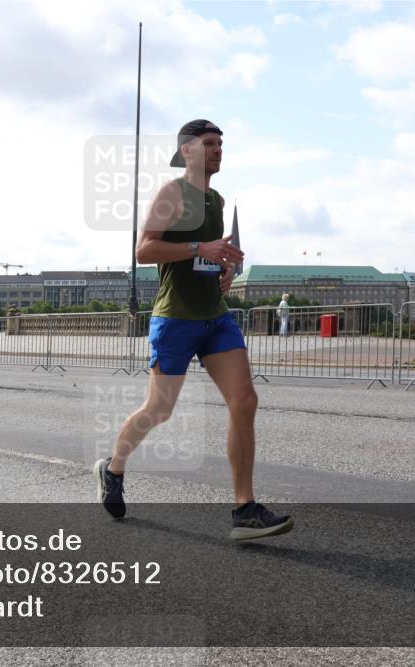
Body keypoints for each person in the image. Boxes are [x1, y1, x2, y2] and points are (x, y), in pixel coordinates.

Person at [94, 119, 294, 541]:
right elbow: (145, 249)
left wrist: (223, 271)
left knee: (244, 400)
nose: (218, 149)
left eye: (221, 143)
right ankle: (113, 467)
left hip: (215, 318)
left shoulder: (216, 199)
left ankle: (245, 510)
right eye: (208, 143)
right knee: (159, 411)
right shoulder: (172, 193)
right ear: (187, 151)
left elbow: (207, 258)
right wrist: (199, 248)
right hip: (176, 319)